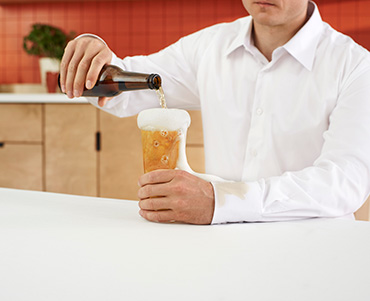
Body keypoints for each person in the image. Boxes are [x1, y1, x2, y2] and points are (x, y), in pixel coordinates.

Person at [59, 0, 370, 225]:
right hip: (225, 249)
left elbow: (345, 182)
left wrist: (223, 201)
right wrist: (93, 51)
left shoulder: (354, 65)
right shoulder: (209, 47)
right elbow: (123, 92)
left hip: (315, 253)